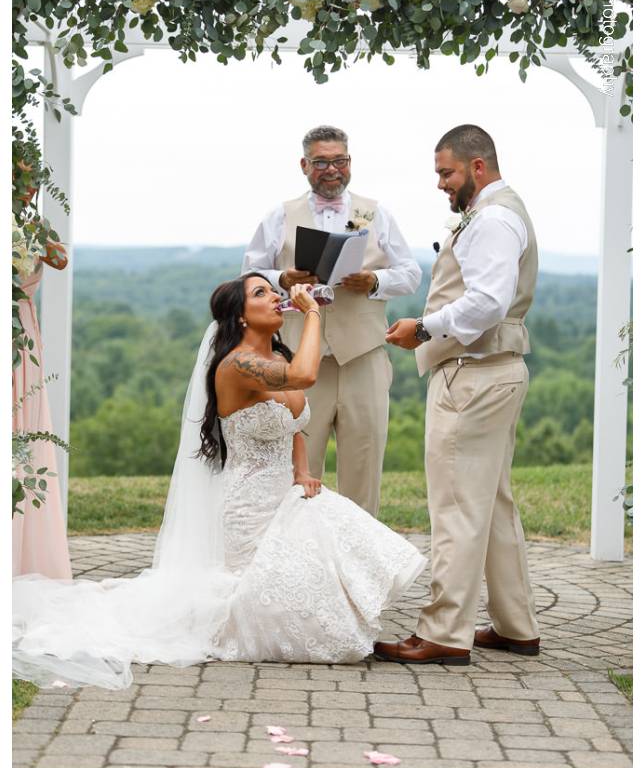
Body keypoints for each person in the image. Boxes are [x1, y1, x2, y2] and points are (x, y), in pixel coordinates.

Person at [12, 274, 426, 689]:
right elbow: (305, 377)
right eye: (260, 293)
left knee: (335, 523)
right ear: (240, 317)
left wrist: (301, 471)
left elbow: (294, 425)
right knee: (263, 598)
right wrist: (314, 312)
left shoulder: (277, 357)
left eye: (273, 290)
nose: (275, 297)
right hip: (247, 509)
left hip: (284, 497)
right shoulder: (237, 366)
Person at [376, 124, 540, 666]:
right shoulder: (500, 212)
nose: (441, 183)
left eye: (446, 172)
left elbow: (489, 302)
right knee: (492, 504)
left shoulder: (492, 219)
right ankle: (516, 626)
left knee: (455, 506)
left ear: (477, 166)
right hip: (494, 372)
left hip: (472, 376)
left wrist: (424, 327)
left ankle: (445, 631)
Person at [242, 124, 421, 516]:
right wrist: (283, 279)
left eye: (339, 161)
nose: (332, 170)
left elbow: (411, 273)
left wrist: (375, 281)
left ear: (350, 162)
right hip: (299, 362)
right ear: (304, 165)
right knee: (298, 474)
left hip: (363, 357)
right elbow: (249, 275)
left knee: (364, 468)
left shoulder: (375, 213)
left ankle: (361, 554)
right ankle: (301, 551)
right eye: (321, 162)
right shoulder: (280, 215)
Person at [12, 157, 71, 580]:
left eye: (33, 180)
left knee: (24, 425)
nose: (29, 187)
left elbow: (60, 259)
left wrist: (29, 224)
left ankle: (26, 551)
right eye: (21, 177)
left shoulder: (30, 227)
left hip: (22, 332)